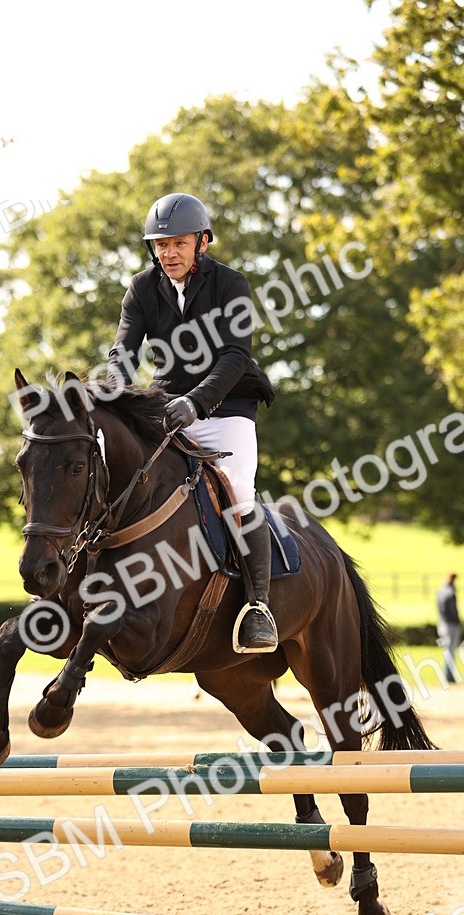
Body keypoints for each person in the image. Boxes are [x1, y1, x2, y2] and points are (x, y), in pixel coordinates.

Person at [107, 192, 277, 653]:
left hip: (228, 406)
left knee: (238, 490)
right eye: (160, 246)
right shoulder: (142, 289)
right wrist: (109, 394)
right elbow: (124, 353)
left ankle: (258, 607)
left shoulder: (231, 284)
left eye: (179, 244)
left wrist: (197, 403)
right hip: (167, 406)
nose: (169, 254)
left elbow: (236, 356)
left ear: (202, 242)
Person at [436, 572, 461, 683]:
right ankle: (448, 676)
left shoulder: (440, 591)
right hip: (451, 624)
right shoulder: (451, 592)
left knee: (447, 650)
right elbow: (453, 610)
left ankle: (447, 675)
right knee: (450, 650)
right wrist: (457, 621)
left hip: (442, 622)